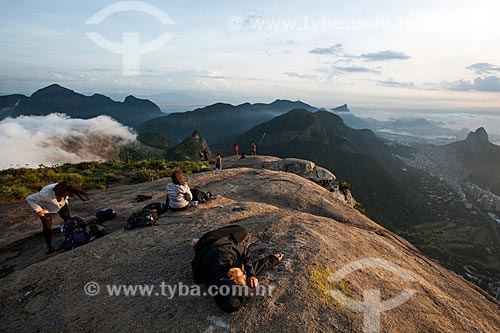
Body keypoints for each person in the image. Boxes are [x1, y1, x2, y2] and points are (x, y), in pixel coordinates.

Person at [191, 225, 283, 313]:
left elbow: (244, 251)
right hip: (201, 249)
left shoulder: (225, 257)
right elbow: (250, 270)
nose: (244, 275)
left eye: (243, 277)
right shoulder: (210, 281)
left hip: (214, 239)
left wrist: (251, 274)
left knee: (242, 230)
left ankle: (199, 240)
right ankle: (197, 243)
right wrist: (273, 259)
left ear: (231, 278)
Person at [26, 182, 89, 254]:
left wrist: (63, 200)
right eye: (56, 194)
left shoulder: (66, 189)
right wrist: (39, 210)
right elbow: (29, 198)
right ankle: (49, 247)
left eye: (59, 195)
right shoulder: (44, 194)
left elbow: (65, 197)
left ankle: (73, 238)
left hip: (62, 206)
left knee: (69, 221)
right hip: (45, 208)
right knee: (47, 227)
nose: (57, 196)